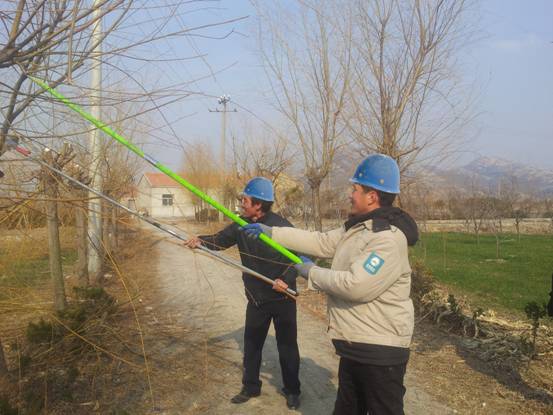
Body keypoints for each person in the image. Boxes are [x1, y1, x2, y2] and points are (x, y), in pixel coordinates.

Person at [243, 154, 418, 415]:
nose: (350, 194)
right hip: (355, 344)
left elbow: (356, 285)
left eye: (355, 189)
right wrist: (273, 233)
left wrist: (310, 272)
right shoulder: (359, 228)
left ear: (372, 196)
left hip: (380, 352)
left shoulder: (388, 240)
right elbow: (321, 241)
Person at [184, 177, 301, 409]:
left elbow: (299, 258)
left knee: (287, 347)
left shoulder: (282, 227)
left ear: (258, 204)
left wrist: (285, 280)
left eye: (245, 200)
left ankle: (293, 390)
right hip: (256, 298)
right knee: (252, 344)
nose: (241, 204)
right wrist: (200, 241)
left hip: (283, 296)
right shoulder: (240, 224)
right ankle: (250, 387)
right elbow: (219, 241)